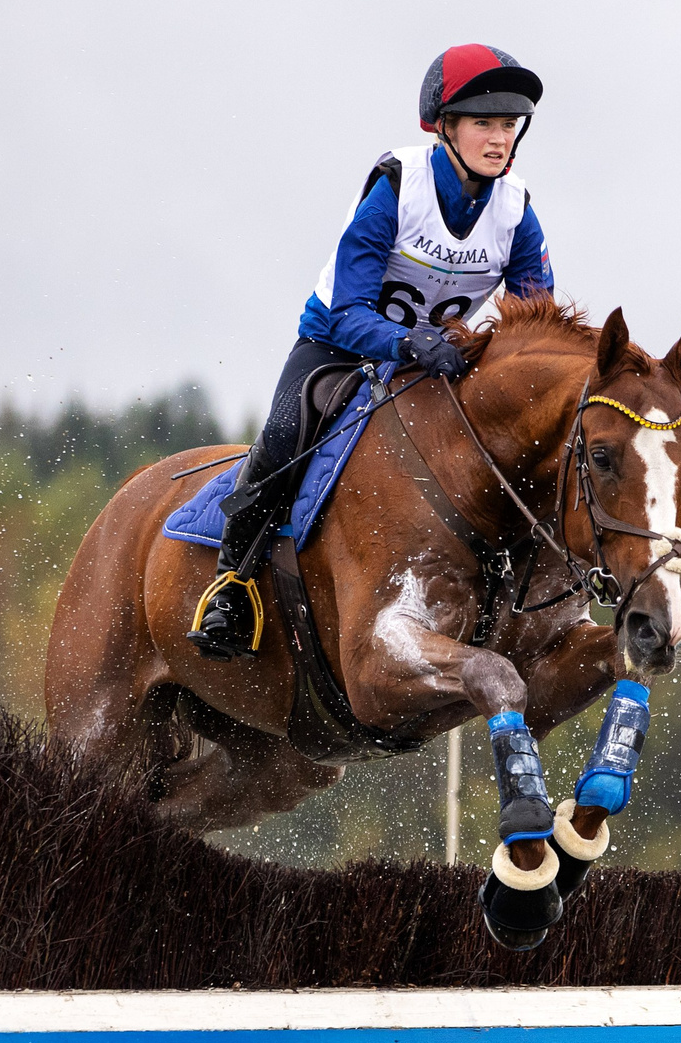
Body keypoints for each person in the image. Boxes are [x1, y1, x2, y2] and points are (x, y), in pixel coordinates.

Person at [190, 44, 557, 659]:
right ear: (445, 127)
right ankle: (232, 583)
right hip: (339, 348)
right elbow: (347, 310)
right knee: (286, 436)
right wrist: (407, 340)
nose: (500, 140)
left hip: (433, 361)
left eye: (508, 125)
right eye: (484, 124)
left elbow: (536, 322)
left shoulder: (516, 210)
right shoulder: (397, 187)